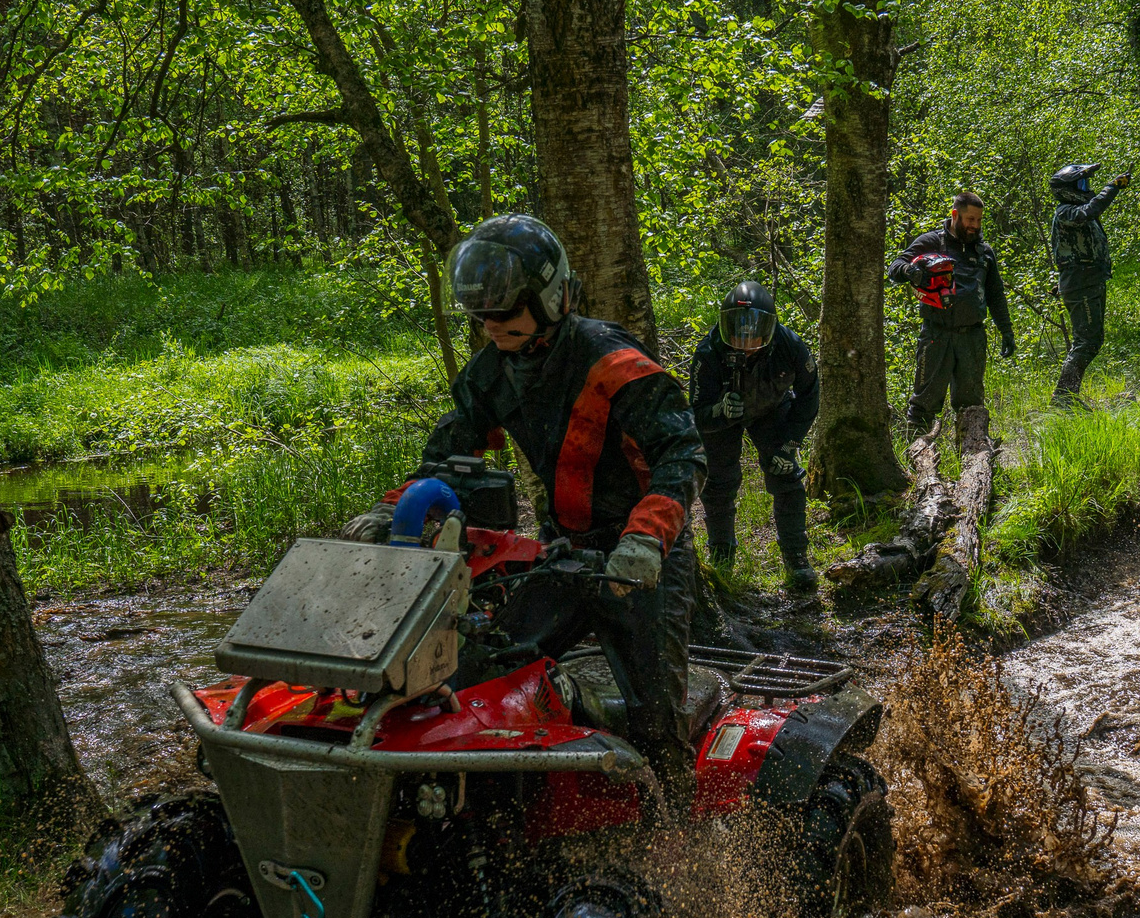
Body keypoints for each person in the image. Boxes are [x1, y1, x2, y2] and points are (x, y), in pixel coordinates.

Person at [344, 214, 706, 800]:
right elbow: (448, 451)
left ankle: (680, 843)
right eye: (481, 317)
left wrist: (645, 539)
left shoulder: (610, 360)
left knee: (657, 721)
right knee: (491, 670)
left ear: (551, 298)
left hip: (642, 557)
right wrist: (397, 509)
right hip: (563, 549)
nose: (491, 328)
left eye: (505, 314)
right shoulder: (492, 371)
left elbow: (682, 453)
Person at [689, 280, 821, 595]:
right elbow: (695, 414)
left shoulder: (789, 345)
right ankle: (721, 557)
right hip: (723, 421)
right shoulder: (708, 353)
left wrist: (790, 444)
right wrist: (719, 412)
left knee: (785, 474)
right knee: (719, 483)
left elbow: (809, 395)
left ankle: (796, 557)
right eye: (736, 331)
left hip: (772, 410)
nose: (745, 341)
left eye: (754, 333)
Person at [887, 191, 1015, 446]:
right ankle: (915, 458)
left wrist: (1006, 331)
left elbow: (995, 294)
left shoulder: (984, 252)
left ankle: (972, 459)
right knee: (924, 403)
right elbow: (894, 267)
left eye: (978, 220)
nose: (975, 226)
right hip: (936, 334)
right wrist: (911, 272)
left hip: (973, 337)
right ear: (955, 215)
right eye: (970, 219)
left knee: (971, 405)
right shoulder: (932, 241)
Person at [1048, 162, 1131, 406]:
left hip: (1089, 280)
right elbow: (1089, 211)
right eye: (1082, 183)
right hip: (1080, 283)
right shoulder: (1066, 211)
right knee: (1087, 341)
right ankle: (1064, 397)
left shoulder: (1075, 211)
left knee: (1092, 340)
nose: (1086, 188)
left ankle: (1066, 396)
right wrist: (1113, 187)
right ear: (1067, 189)